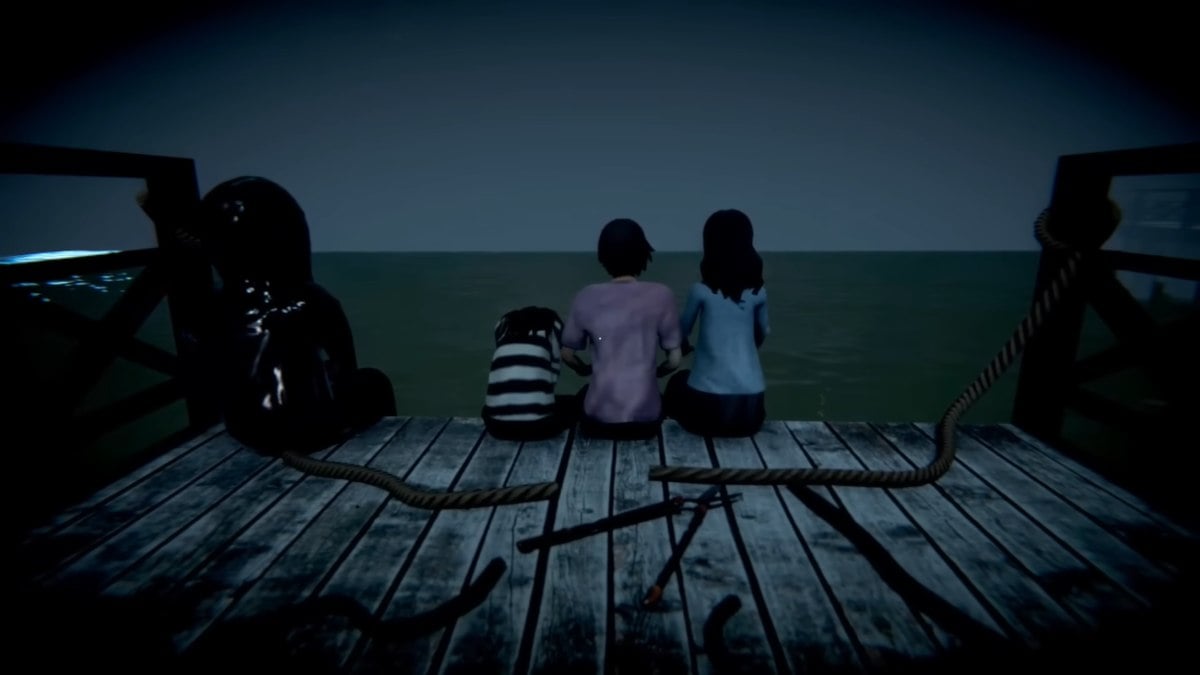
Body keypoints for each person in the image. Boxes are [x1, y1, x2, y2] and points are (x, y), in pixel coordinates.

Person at [194, 176, 396, 454]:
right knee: (374, 381)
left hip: (246, 429)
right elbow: (345, 366)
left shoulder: (214, 304)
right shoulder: (313, 299)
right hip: (309, 430)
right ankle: (387, 450)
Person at [560, 218, 682, 440]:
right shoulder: (662, 295)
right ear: (644, 253)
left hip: (598, 422)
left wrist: (585, 369)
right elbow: (674, 361)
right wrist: (652, 374)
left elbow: (567, 354)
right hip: (647, 422)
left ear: (602, 256)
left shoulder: (585, 295)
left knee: (577, 399)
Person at [664, 208, 769, 437]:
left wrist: (683, 347)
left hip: (711, 411)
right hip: (752, 411)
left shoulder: (700, 291)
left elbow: (681, 332)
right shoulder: (759, 293)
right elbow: (763, 332)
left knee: (678, 383)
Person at [481, 305, 576, 441]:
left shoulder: (503, 326)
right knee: (576, 403)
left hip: (496, 428)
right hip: (538, 428)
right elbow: (552, 377)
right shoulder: (553, 326)